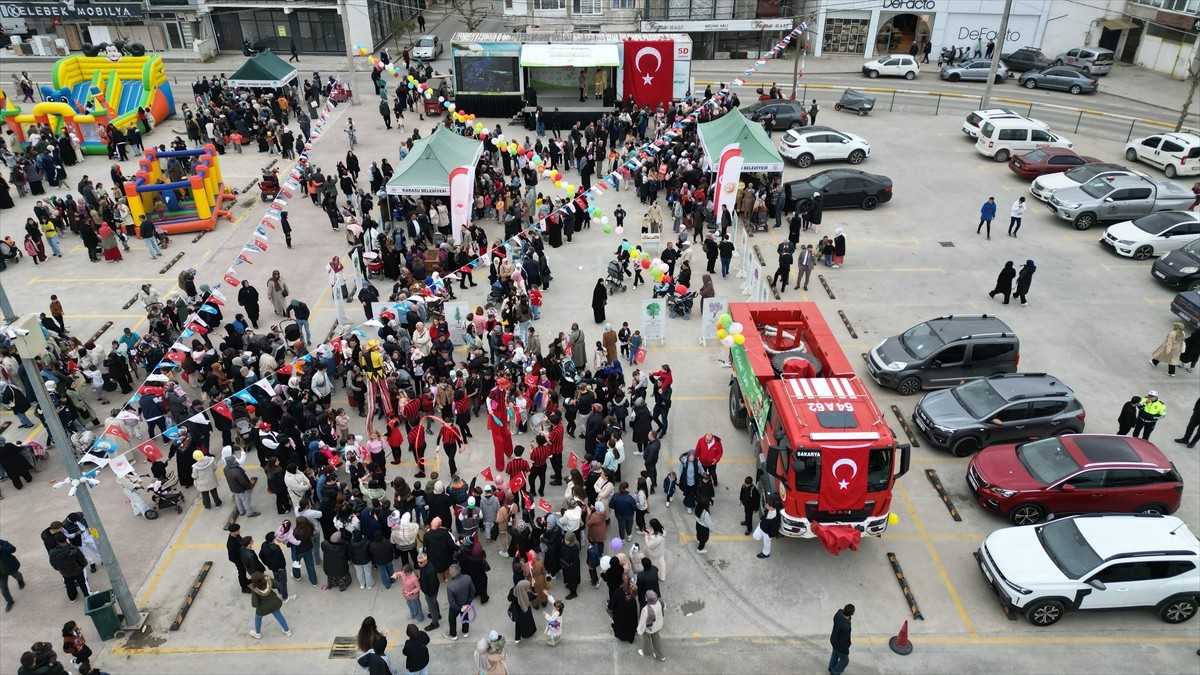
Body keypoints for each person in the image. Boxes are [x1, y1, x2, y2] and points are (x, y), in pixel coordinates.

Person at [248, 572, 291, 639]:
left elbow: (255, 604)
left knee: (258, 618)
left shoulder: (255, 589)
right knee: (279, 616)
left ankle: (258, 634)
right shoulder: (268, 580)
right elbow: (278, 585)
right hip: (274, 603)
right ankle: (287, 631)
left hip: (263, 608)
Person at [48, 534, 89, 602]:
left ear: (57, 542)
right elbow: (81, 559)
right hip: (77, 570)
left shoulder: (52, 552)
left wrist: (59, 569)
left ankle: (72, 597)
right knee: (82, 583)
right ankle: (86, 595)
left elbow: (53, 563)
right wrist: (83, 565)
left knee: (69, 585)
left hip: (65, 572)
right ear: (66, 539)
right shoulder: (74, 549)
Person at [444, 563, 475, 640]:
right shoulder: (467, 578)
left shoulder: (450, 586)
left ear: (452, 574)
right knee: (465, 616)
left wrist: (460, 608)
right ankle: (465, 631)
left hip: (456, 606)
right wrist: (468, 603)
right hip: (465, 603)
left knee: (452, 619)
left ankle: (453, 634)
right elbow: (472, 591)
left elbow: (452, 602)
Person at [636, 590, 666, 661]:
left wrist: (640, 630)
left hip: (649, 629)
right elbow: (664, 609)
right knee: (657, 639)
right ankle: (660, 655)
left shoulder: (646, 610)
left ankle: (647, 652)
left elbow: (643, 622)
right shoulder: (660, 602)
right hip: (658, 625)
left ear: (647, 599)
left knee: (647, 641)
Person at [0, 538, 26, 612]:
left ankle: (20, 581)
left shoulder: (3, 543)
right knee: (3, 589)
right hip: (1, 575)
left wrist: (2, 547)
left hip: (10, 567)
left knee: (17, 575)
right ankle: (9, 602)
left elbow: (13, 549)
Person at [508, 578, 537, 643]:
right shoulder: (527, 594)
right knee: (528, 622)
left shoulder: (513, 590)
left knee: (518, 624)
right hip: (526, 610)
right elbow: (534, 596)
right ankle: (529, 633)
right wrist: (533, 586)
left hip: (517, 611)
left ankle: (517, 638)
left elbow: (509, 598)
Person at [829, 604, 855, 675]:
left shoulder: (839, 613)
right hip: (839, 645)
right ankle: (835, 672)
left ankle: (831, 667)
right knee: (845, 660)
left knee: (835, 653)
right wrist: (846, 651)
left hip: (833, 639)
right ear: (852, 614)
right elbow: (843, 642)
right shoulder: (846, 627)